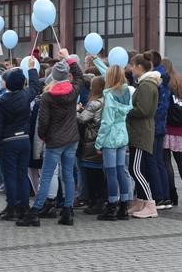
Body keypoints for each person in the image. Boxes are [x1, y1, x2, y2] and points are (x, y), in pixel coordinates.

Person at [20, 54, 83, 227]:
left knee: (46, 176)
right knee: (68, 175)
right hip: (72, 138)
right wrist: (69, 58)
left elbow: (43, 122)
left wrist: (43, 136)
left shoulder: (48, 97)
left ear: (53, 77)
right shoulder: (74, 90)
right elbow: (79, 75)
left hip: (54, 140)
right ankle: (68, 212)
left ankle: (36, 212)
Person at [0, 60, 41, 221]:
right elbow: (35, 86)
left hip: (8, 141)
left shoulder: (1, 101)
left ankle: (12, 206)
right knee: (21, 174)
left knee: (10, 176)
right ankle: (24, 206)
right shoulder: (25, 95)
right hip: (24, 139)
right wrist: (32, 69)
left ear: (8, 84)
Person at [96, 65, 133, 220]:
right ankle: (123, 207)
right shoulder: (126, 92)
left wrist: (98, 143)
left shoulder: (110, 95)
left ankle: (112, 206)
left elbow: (106, 122)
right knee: (120, 171)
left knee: (111, 173)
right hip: (122, 135)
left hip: (110, 138)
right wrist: (97, 60)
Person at [126, 54, 161, 218]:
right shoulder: (144, 84)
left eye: (132, 66)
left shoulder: (146, 85)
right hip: (138, 131)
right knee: (136, 168)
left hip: (141, 132)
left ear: (139, 67)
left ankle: (150, 204)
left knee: (136, 169)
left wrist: (126, 110)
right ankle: (140, 201)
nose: (130, 69)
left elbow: (144, 110)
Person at [162, 59, 182, 205]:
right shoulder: (180, 80)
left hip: (168, 127)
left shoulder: (164, 82)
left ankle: (172, 194)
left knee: (166, 161)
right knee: (181, 159)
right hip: (181, 128)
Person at [145, 51, 172, 208]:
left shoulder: (156, 80)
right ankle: (165, 196)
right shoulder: (163, 77)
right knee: (159, 161)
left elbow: (159, 106)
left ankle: (159, 196)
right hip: (160, 125)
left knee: (154, 161)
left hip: (154, 125)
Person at [76, 75, 106, 215]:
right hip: (100, 138)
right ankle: (100, 200)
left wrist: (76, 110)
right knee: (99, 174)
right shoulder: (105, 101)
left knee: (92, 175)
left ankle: (96, 202)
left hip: (90, 140)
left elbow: (82, 120)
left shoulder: (94, 103)